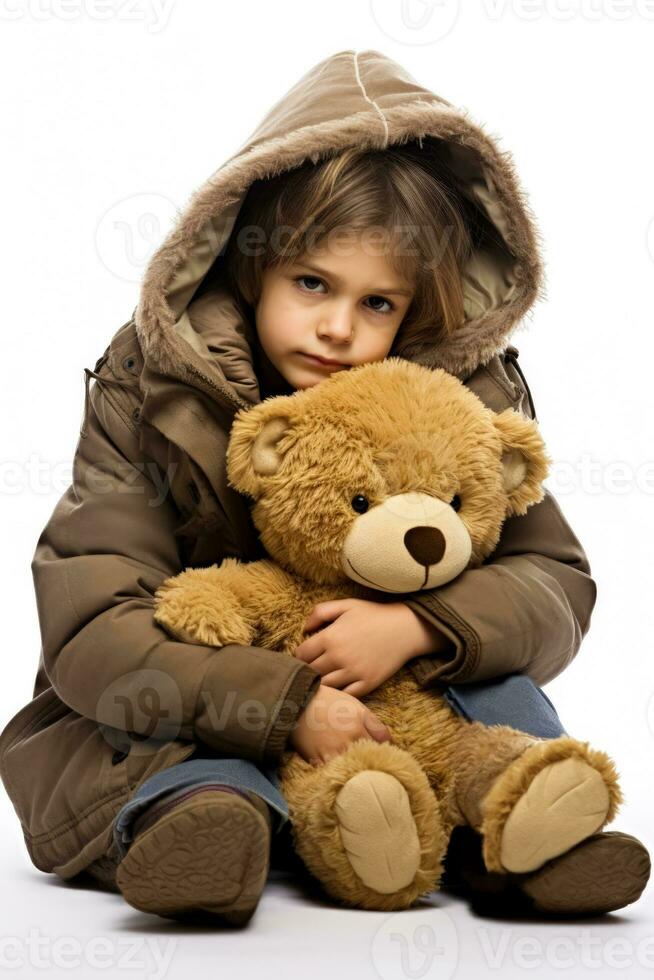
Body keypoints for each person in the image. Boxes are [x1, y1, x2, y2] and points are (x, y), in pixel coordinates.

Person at [0, 49, 649, 927]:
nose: (339, 327)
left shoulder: (454, 394)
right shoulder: (151, 389)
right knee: (147, 728)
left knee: (496, 698)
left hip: (396, 702)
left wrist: (422, 624)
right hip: (208, 692)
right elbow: (92, 620)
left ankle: (521, 825)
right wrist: (284, 704)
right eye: (312, 284)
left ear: (417, 309)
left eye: (378, 304)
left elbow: (554, 579)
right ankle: (205, 825)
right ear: (251, 266)